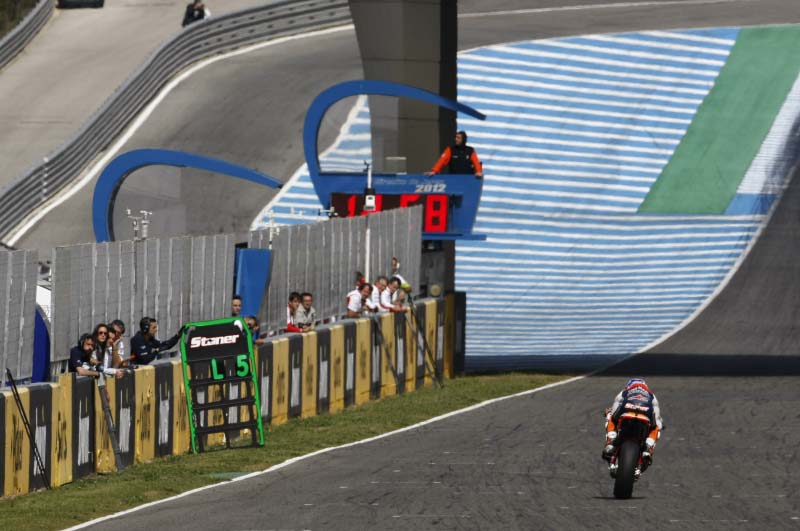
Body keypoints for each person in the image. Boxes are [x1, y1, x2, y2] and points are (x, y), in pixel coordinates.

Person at [602, 378, 663, 474]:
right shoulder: (651, 395)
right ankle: (648, 448)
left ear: (629, 385)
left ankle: (611, 440)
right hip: (645, 414)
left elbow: (615, 408)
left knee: (611, 418)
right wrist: (659, 423)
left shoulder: (625, 391)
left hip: (628, 412)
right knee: (655, 427)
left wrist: (609, 412)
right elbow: (657, 416)